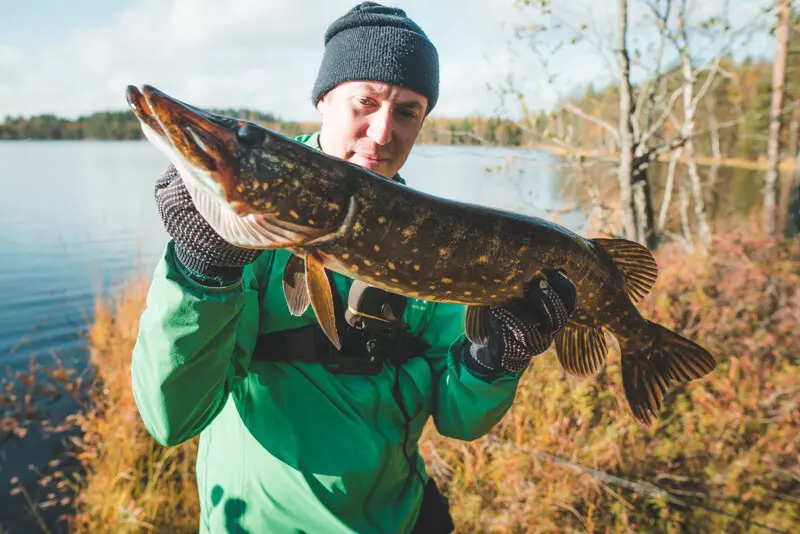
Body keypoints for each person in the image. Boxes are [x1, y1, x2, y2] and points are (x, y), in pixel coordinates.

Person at [131, 2, 578, 533]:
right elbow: (171, 418)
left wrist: (497, 357)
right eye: (365, 102)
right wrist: (203, 269)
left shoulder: (435, 242)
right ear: (324, 99)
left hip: (398, 518)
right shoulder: (244, 228)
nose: (383, 133)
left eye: (407, 111)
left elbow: (461, 420)